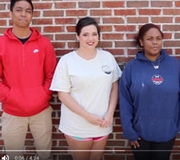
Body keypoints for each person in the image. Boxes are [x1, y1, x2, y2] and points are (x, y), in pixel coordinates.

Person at [50, 16, 122, 160]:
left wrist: (109, 113)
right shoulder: (67, 61)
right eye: (85, 34)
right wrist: (88, 117)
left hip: (103, 123)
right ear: (77, 36)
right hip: (78, 125)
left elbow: (114, 86)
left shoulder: (107, 57)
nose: (91, 38)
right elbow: (63, 95)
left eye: (94, 34)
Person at [0, 0, 57, 160]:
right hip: (12, 113)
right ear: (10, 13)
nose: (23, 14)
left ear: (32, 14)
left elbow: (52, 75)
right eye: (19, 10)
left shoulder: (44, 44)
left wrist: (42, 95)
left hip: (41, 112)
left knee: (44, 155)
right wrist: (10, 97)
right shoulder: (1, 44)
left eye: (28, 11)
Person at [119, 23, 180, 160]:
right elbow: (125, 101)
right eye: (150, 38)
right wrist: (129, 131)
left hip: (167, 132)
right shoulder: (131, 68)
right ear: (141, 41)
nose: (155, 42)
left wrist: (176, 125)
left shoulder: (175, 65)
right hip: (139, 134)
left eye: (158, 38)